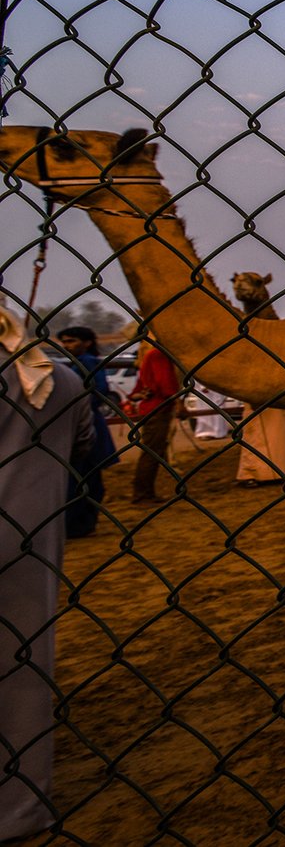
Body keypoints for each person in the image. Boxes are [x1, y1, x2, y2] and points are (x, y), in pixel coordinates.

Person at [2, 298, 95, 840]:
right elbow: (84, 445)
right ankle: (19, 808)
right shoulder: (62, 380)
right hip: (29, 542)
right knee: (22, 669)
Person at [53, 326, 119, 538]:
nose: (66, 345)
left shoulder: (87, 362)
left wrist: (77, 406)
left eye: (71, 341)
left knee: (83, 477)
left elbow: (99, 390)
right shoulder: (76, 364)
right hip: (83, 423)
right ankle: (80, 523)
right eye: (64, 341)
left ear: (87, 342)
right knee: (85, 477)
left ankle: (78, 524)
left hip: (86, 424)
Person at [126, 340, 180, 505]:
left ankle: (144, 491)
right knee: (152, 452)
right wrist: (178, 401)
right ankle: (143, 493)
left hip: (151, 408)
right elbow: (166, 385)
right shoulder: (160, 355)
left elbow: (136, 391)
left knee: (152, 451)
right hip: (159, 408)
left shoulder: (150, 357)